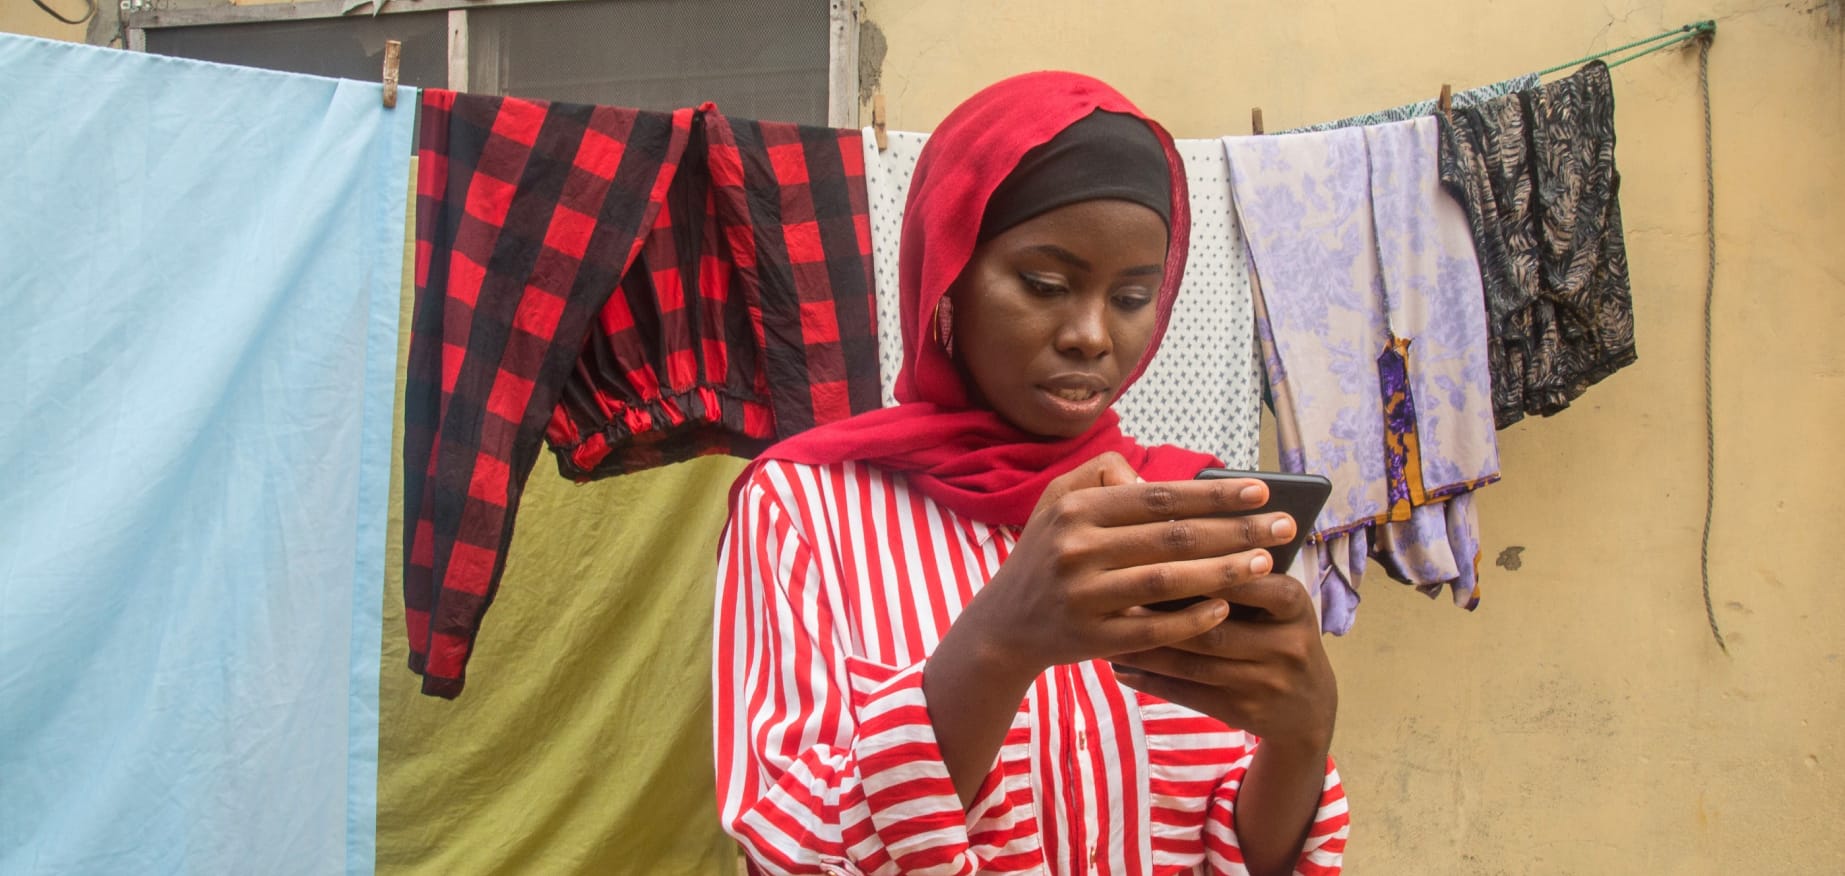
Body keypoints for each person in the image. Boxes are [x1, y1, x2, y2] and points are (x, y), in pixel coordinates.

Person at [713, 71, 1347, 876]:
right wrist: (994, 646)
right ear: (948, 279)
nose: (1091, 334)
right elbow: (790, 850)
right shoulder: (805, 507)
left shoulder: (1185, 513)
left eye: (1131, 296)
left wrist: (1300, 737)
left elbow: (1234, 844)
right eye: (1045, 285)